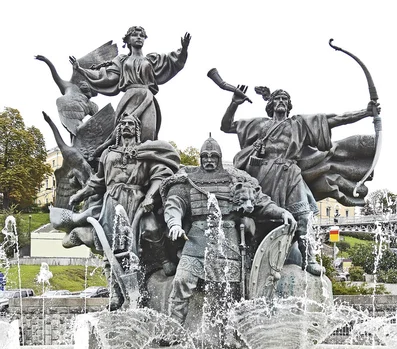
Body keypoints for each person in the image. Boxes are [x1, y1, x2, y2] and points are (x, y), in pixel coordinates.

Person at [221, 87, 379, 275]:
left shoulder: (299, 124)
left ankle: (308, 258)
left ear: (289, 105)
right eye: (277, 98)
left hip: (290, 174)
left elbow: (336, 119)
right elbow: (226, 126)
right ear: (270, 104)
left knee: (303, 215)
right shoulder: (259, 125)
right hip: (262, 175)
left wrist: (365, 112)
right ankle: (250, 260)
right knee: (257, 219)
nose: (281, 101)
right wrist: (234, 103)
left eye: (285, 99)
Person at [161, 136, 296, 328]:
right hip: (197, 239)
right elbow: (174, 204)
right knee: (181, 282)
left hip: (229, 240)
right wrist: (174, 224)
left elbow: (261, 202)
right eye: (205, 156)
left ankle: (229, 333)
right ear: (200, 158)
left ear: (219, 158)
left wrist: (281, 212)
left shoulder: (236, 180)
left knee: (230, 291)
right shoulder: (188, 182)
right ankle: (173, 329)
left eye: (213, 156)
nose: (209, 160)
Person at [52, 114, 180, 309]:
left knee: (152, 229)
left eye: (131, 124)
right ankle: (115, 293)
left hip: (137, 200)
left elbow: (160, 175)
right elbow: (98, 181)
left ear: (137, 130)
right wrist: (80, 195)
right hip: (112, 202)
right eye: (124, 124)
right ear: (119, 130)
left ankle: (163, 260)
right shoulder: (108, 154)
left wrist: (150, 197)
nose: (127, 127)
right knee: (110, 247)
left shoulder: (146, 152)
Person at [70, 26, 191, 143]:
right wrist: (80, 69)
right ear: (128, 39)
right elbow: (107, 77)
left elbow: (172, 61)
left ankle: (148, 161)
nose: (139, 37)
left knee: (148, 134)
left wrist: (184, 49)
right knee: (124, 135)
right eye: (135, 35)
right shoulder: (122, 60)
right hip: (129, 99)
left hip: (147, 99)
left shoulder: (152, 59)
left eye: (142, 36)